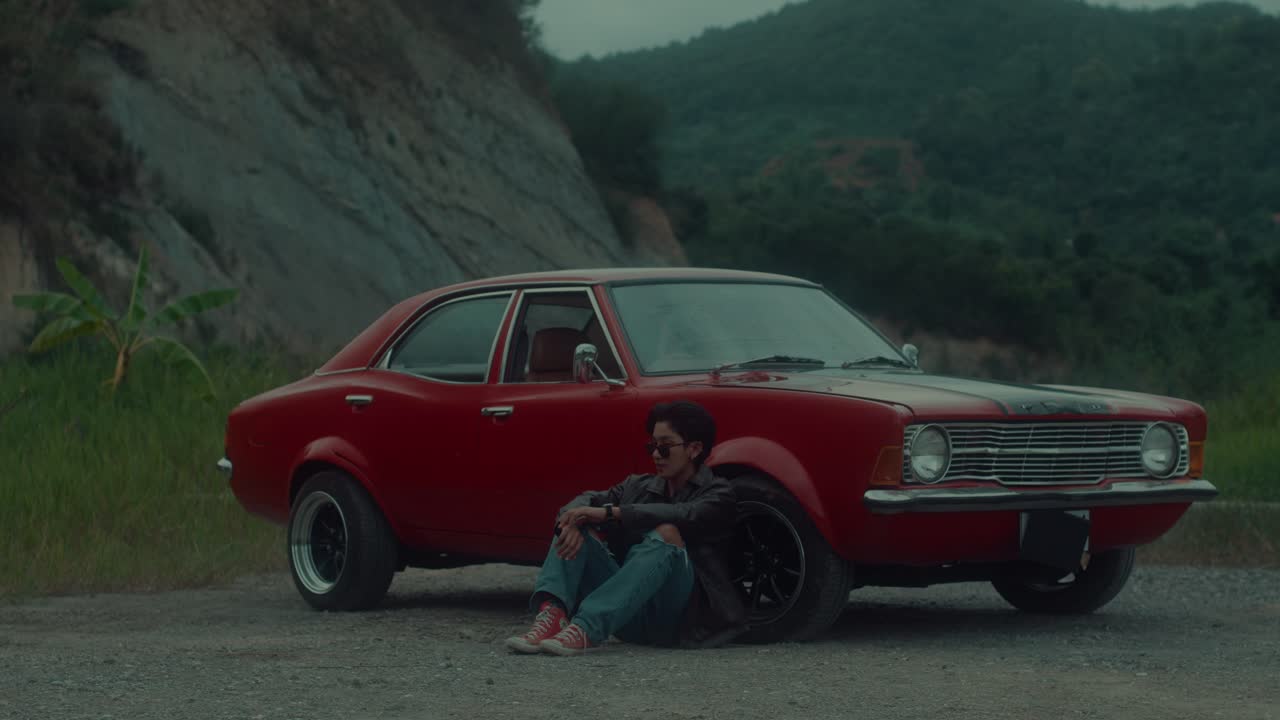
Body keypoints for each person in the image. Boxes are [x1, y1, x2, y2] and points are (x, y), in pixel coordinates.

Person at [504, 400, 747, 656]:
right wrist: (573, 519)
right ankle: (553, 613)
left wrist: (613, 513)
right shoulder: (638, 486)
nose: (655, 455)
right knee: (576, 521)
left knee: (667, 532)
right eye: (652, 446)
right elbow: (586, 500)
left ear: (694, 449)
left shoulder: (719, 494)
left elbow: (684, 514)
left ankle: (587, 627)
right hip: (626, 614)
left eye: (664, 447)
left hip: (678, 621)